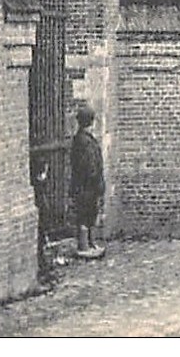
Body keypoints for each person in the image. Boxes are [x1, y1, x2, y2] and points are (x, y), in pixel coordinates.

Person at [71, 105, 106, 259]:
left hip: (89, 185)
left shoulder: (85, 139)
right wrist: (95, 179)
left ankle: (91, 243)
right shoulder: (83, 141)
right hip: (85, 186)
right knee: (84, 215)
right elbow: (88, 166)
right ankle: (84, 246)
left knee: (91, 213)